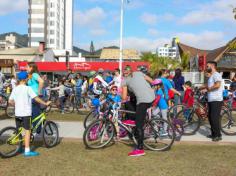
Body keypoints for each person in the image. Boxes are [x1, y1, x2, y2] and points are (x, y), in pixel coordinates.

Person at [8, 71, 50, 157]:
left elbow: (10, 101)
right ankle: (27, 151)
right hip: (26, 113)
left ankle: (19, 147)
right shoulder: (27, 88)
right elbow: (36, 98)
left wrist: (17, 105)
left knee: (19, 131)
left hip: (17, 113)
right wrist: (45, 103)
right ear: (25, 79)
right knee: (27, 131)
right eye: (27, 78)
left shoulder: (15, 89)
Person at [122, 65, 155, 156]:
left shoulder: (124, 80)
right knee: (131, 101)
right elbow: (152, 81)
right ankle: (134, 119)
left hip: (143, 101)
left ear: (124, 73)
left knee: (139, 125)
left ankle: (140, 149)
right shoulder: (139, 73)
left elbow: (124, 97)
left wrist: (120, 99)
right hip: (152, 96)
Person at [201, 61, 223, 142]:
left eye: (207, 66)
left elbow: (218, 85)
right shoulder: (211, 76)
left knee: (214, 118)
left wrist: (209, 89)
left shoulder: (216, 75)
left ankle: (218, 135)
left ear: (212, 66)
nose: (206, 68)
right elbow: (208, 86)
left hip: (216, 100)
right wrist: (202, 89)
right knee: (210, 117)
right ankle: (214, 133)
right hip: (211, 100)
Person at [27, 62, 44, 133]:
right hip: (30, 97)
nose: (26, 68)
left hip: (35, 97)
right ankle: (34, 129)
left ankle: (37, 130)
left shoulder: (34, 74)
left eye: (27, 67)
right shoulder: (30, 75)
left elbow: (41, 81)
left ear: (31, 68)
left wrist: (39, 92)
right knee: (31, 113)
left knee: (35, 113)